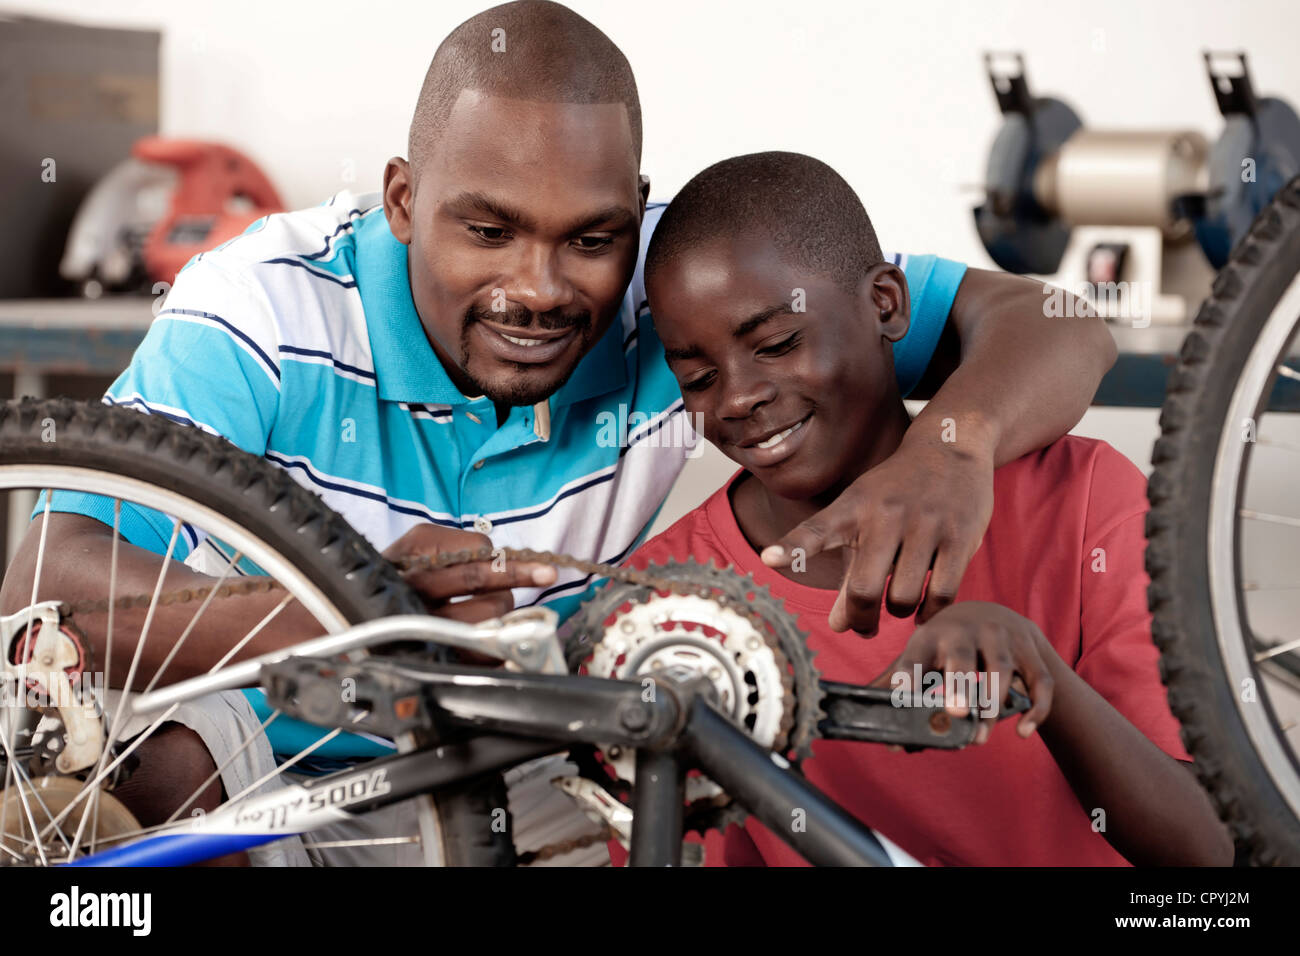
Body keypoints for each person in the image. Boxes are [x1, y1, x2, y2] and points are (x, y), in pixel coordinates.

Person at [0, 2, 1115, 865]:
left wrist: (954, 445)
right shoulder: (262, 307)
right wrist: (354, 608)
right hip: (263, 759)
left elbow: (1062, 319)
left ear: (635, 211)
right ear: (401, 200)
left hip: (522, 766)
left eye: (589, 237)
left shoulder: (680, 282)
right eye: (487, 230)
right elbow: (46, 578)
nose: (538, 288)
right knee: (157, 752)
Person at [618, 150, 1232, 866]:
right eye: (697, 377)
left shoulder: (1085, 500)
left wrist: (1041, 673)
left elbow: (1211, 854)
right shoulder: (665, 607)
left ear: (886, 304)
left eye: (778, 344)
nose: (736, 398)